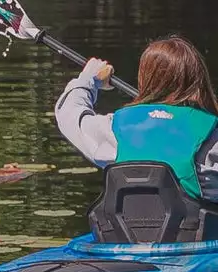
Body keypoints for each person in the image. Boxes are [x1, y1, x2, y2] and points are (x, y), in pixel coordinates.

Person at [54, 34, 218, 200]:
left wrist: (88, 80)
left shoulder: (116, 129)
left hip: (123, 226)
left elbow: (70, 114)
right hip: (197, 225)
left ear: (145, 80)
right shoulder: (212, 137)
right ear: (199, 82)